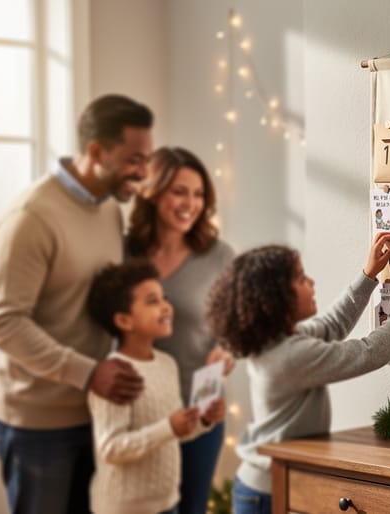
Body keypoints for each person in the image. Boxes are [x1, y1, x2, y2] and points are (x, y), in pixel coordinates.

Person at [0, 94, 153, 514]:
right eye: (135, 159)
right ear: (96, 151)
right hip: (37, 424)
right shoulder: (31, 217)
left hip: (92, 412)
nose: (143, 172)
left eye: (147, 159)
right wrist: (89, 372)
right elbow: (4, 323)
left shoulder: (109, 211)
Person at [205, 232, 390, 514]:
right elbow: (369, 353)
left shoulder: (280, 342)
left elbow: (332, 325)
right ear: (276, 299)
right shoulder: (288, 357)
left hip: (272, 482)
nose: (311, 282)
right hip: (266, 491)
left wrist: (368, 276)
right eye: (300, 279)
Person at [126, 146, 236, 514]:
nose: (191, 203)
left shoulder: (219, 256)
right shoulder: (124, 251)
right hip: (136, 413)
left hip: (197, 412)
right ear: (154, 191)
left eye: (198, 193)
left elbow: (236, 327)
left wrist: (228, 353)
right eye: (179, 191)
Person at [86, 261, 225, 514]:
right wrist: (169, 427)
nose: (166, 307)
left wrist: (203, 420)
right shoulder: (115, 375)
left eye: (165, 298)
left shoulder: (167, 364)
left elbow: (175, 432)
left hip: (167, 503)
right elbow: (111, 447)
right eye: (153, 301)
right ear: (124, 321)